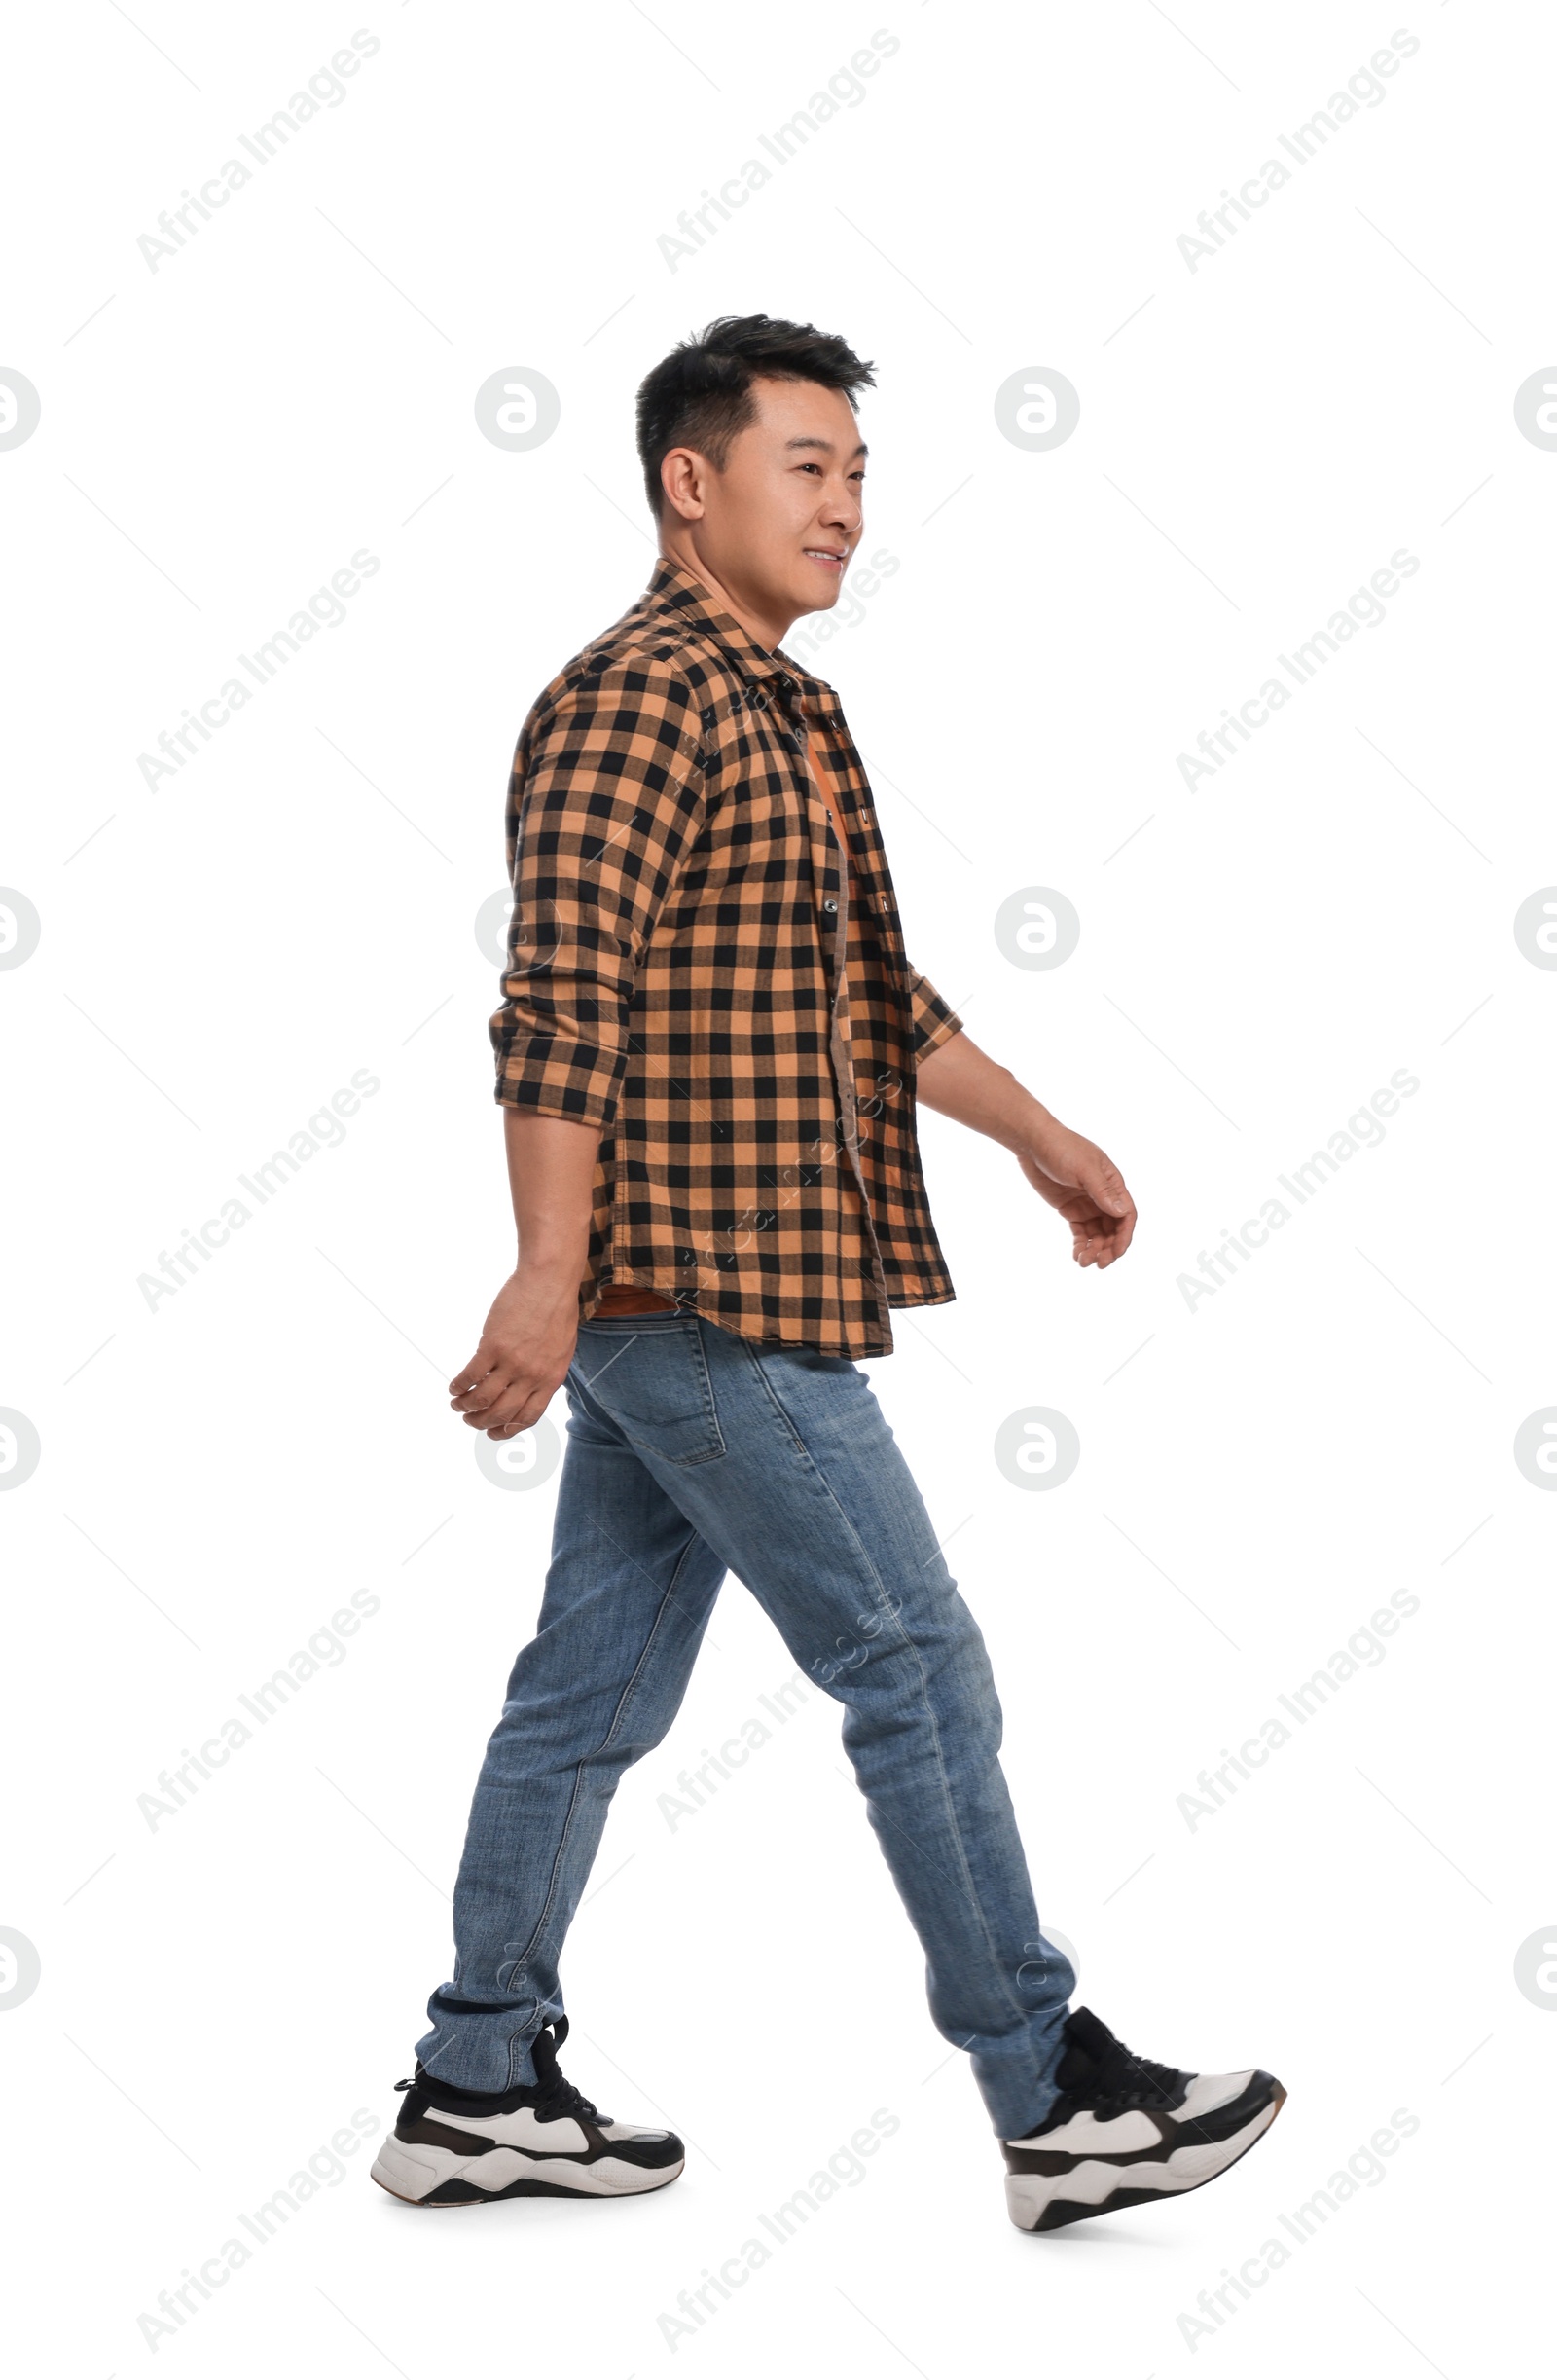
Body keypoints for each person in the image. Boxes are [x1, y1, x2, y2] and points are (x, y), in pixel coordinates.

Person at [370, 315, 1285, 2233]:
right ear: (686, 482)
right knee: (912, 1657)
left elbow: (874, 1001)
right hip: (695, 1291)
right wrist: (544, 1265)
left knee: (582, 1692)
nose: (847, 506)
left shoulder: (786, 707)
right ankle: (1048, 2094)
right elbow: (560, 997)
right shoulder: (638, 697)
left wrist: (1037, 1130)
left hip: (726, 1284)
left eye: (858, 472)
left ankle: (472, 2080)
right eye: (807, 465)